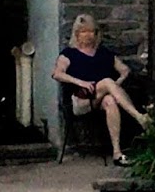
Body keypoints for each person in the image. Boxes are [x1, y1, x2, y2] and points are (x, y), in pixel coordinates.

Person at [52, 13, 148, 166]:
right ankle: (139, 117)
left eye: (91, 31)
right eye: (84, 31)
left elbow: (125, 70)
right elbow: (57, 74)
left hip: (98, 98)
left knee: (110, 100)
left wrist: (117, 84)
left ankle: (117, 153)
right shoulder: (69, 54)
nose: (88, 35)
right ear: (77, 34)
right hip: (80, 100)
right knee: (108, 83)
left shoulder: (103, 53)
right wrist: (81, 82)